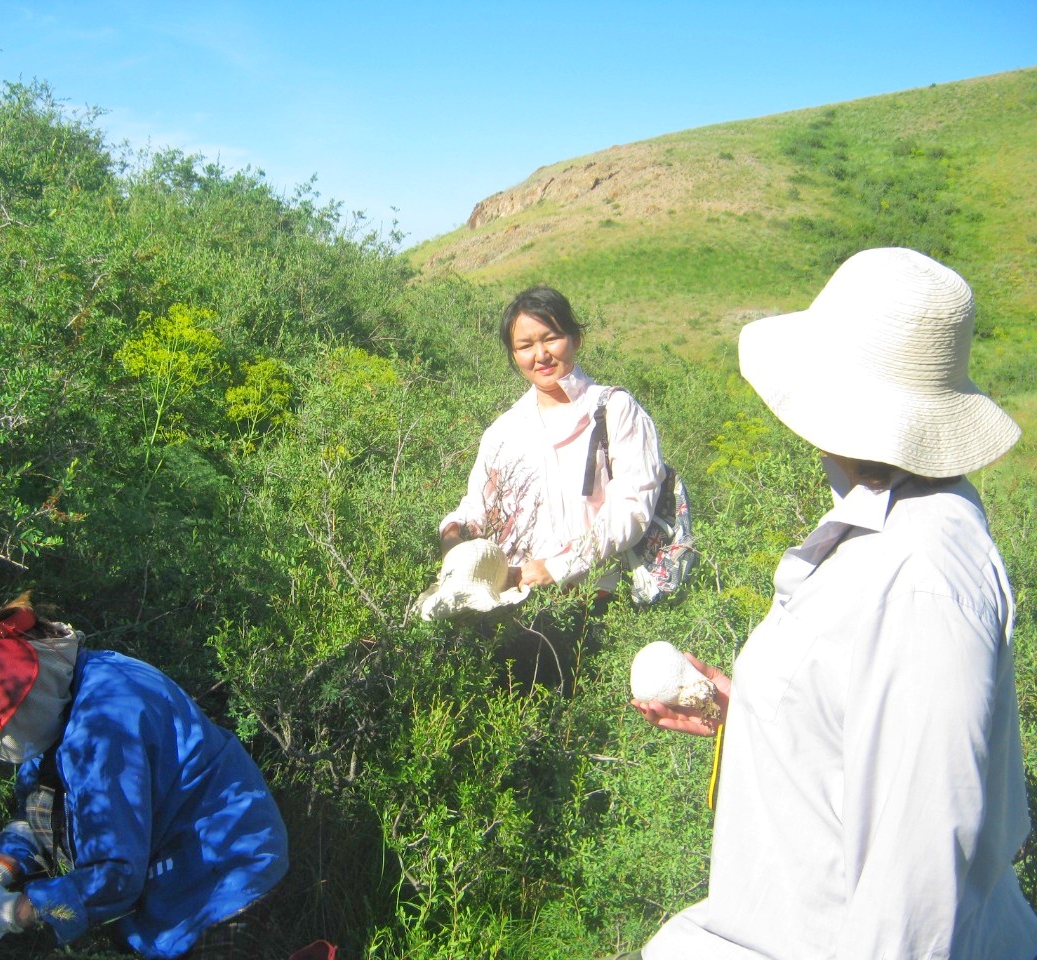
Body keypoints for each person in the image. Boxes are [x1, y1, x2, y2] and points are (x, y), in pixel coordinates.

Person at [630, 247, 1037, 959]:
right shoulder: (889, 521)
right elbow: (866, 721)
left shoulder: (920, 580)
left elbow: (918, 903)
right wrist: (751, 712)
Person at [0, 593, 289, 959]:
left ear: (36, 684)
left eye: (15, 715)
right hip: (166, 875)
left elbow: (115, 874)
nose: (13, 732)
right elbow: (38, 812)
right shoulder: (58, 704)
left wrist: (14, 912)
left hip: (222, 872)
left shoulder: (105, 723)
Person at [439, 285, 667, 594]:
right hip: (514, 600)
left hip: (596, 599)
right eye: (525, 345)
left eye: (551, 338)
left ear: (576, 339)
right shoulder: (503, 431)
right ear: (514, 355)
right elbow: (478, 508)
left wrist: (559, 567)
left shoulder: (615, 410)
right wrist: (452, 532)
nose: (541, 355)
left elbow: (632, 509)